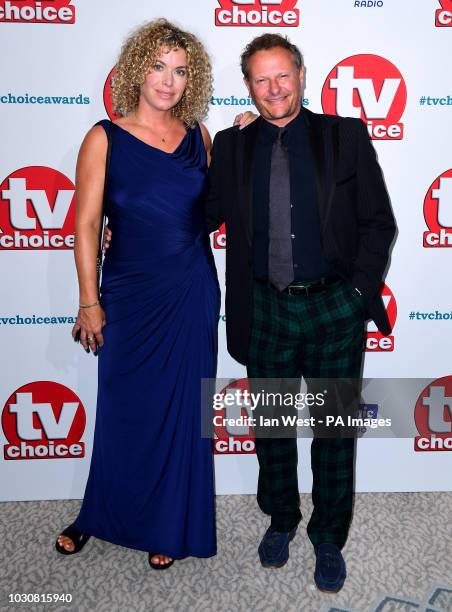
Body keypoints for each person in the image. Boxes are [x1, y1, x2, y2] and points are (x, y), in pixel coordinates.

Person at [55, 18, 253, 570]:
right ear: (139, 70)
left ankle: (171, 524)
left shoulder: (201, 137)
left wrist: (247, 138)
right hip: (126, 291)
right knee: (122, 410)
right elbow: (87, 223)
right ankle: (98, 514)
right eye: (159, 67)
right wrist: (89, 301)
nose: (169, 81)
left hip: (190, 288)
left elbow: (219, 208)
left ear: (193, 80)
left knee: (183, 414)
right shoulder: (104, 136)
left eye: (181, 71)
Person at [204, 34, 396, 592]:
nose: (274, 88)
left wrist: (357, 294)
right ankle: (281, 519)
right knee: (272, 425)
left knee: (334, 429)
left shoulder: (345, 136)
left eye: (282, 75)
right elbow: (202, 213)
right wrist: (131, 226)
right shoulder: (232, 145)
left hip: (335, 306)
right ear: (248, 87)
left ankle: (329, 534)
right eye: (261, 80)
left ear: (302, 74)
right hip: (264, 306)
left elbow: (378, 223)